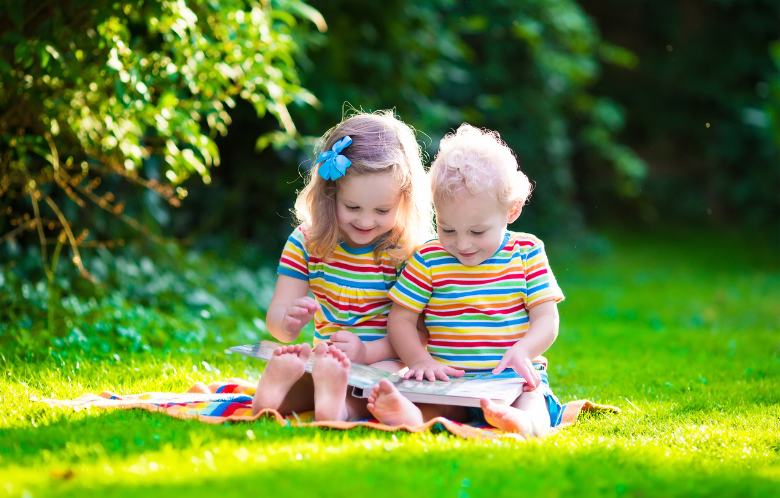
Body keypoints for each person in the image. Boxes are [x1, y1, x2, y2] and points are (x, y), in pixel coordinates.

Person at [366, 124, 565, 437]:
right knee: (434, 405)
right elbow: (401, 320)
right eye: (447, 229)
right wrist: (421, 360)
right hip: (449, 382)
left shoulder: (526, 252)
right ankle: (411, 416)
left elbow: (546, 319)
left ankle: (524, 423)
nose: (462, 244)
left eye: (477, 232)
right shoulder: (429, 258)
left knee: (532, 398)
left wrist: (524, 350)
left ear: (511, 211)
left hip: (512, 379)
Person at [251, 111, 433, 422]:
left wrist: (364, 353)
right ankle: (278, 397)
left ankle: (330, 404)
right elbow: (277, 323)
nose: (365, 221)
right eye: (352, 207)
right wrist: (289, 322)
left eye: (381, 210)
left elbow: (421, 334)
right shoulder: (306, 242)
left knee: (392, 380)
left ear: (404, 200)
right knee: (317, 372)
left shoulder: (406, 252)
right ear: (329, 195)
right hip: (327, 363)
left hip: (384, 358)